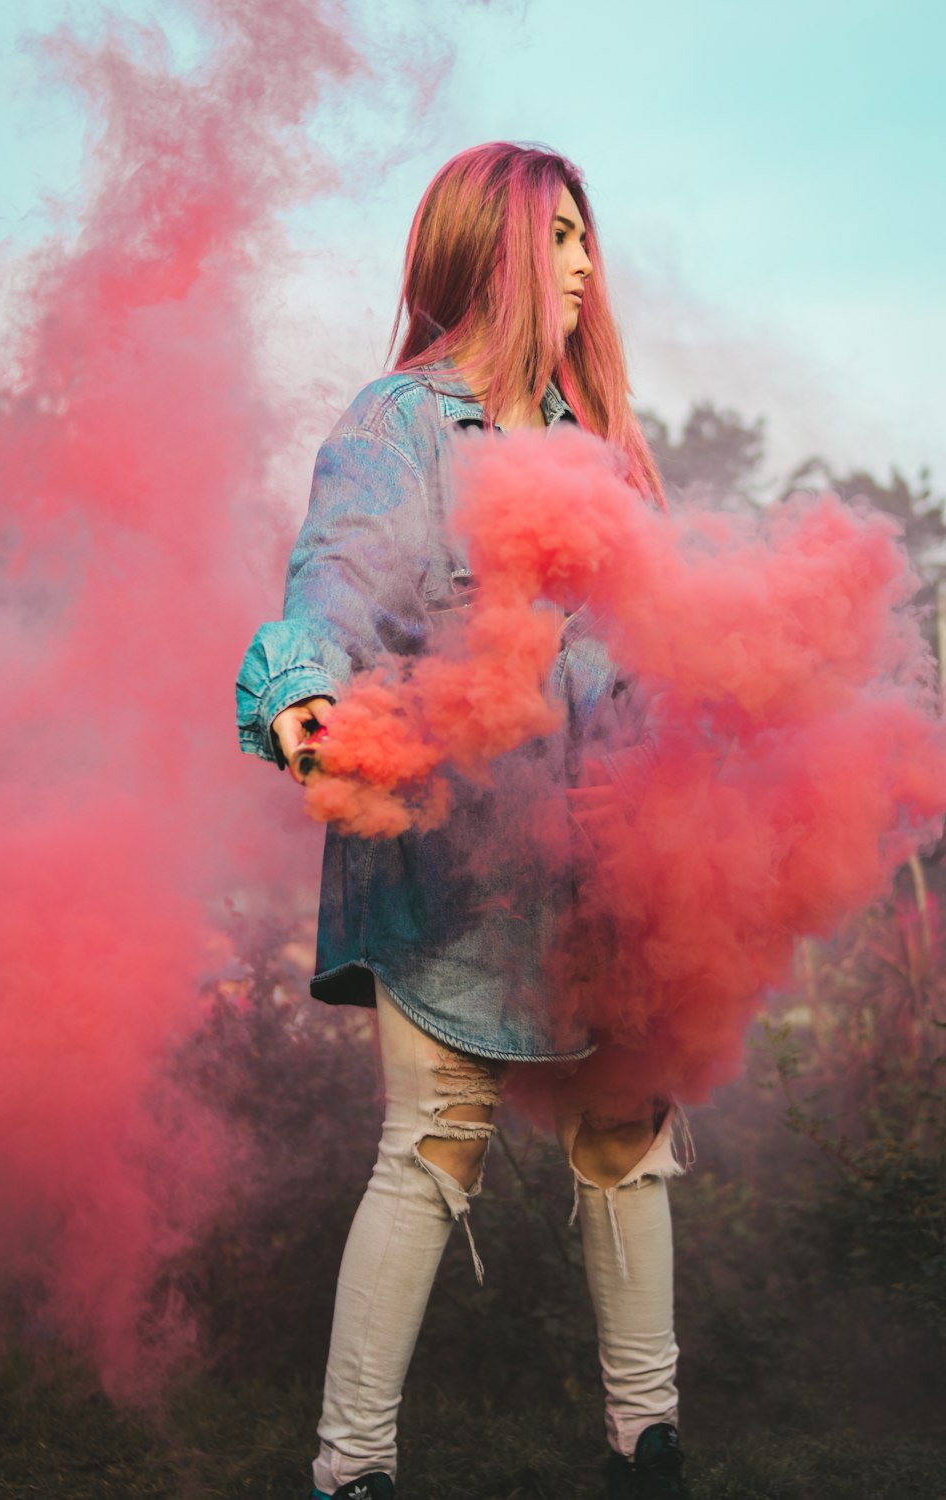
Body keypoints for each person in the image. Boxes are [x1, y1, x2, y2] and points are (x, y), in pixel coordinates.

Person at [236, 142, 693, 1500]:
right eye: (553, 236)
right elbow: (333, 588)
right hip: (447, 865)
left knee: (629, 1138)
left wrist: (659, 769)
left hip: (600, 867)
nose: (579, 263)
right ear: (484, 253)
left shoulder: (604, 455)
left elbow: (655, 655)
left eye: (585, 238)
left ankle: (647, 1445)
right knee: (433, 1149)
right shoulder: (397, 427)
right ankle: (351, 1470)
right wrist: (304, 702)